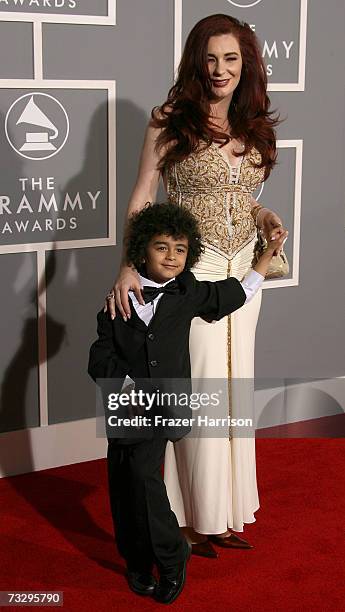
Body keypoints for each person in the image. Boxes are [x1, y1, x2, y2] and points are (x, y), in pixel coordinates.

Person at [106, 14, 287, 556]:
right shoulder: (170, 121)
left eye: (231, 59)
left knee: (236, 389)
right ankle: (193, 517)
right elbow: (142, 195)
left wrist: (263, 218)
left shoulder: (253, 125)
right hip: (195, 274)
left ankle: (225, 513)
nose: (220, 69)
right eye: (210, 58)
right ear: (195, 62)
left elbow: (239, 194)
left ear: (246, 65)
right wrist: (127, 265)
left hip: (246, 272)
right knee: (203, 390)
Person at [89, 203, 287, 603]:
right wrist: (123, 385)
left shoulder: (189, 293)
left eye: (180, 249)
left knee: (143, 478)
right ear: (142, 250)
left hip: (167, 405)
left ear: (189, 254)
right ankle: (137, 561)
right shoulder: (117, 298)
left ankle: (172, 554)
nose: (171, 257)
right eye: (162, 248)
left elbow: (236, 293)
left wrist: (266, 255)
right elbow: (99, 353)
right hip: (125, 408)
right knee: (122, 483)